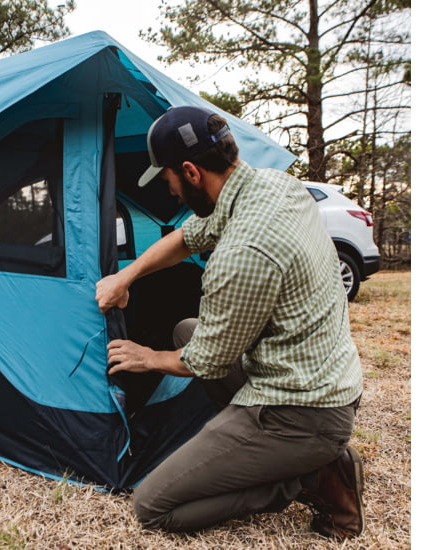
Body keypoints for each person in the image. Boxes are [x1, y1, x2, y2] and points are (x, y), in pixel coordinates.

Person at [94, 105, 365, 537]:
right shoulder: (275, 186)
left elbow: (205, 362)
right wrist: (125, 275)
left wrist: (148, 358)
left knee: (153, 506)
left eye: (168, 181)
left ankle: (310, 476)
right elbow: (186, 237)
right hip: (327, 379)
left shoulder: (242, 254)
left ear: (190, 171)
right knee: (187, 328)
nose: (171, 193)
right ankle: (288, 454)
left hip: (301, 413)